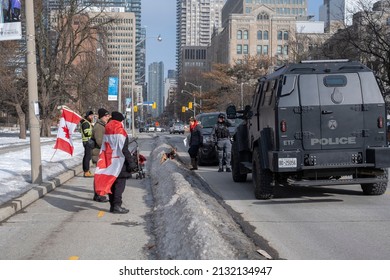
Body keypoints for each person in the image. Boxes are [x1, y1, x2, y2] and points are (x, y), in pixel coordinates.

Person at [95, 111, 133, 214]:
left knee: (112, 183)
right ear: (120, 121)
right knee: (120, 186)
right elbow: (124, 150)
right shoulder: (121, 132)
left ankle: (112, 205)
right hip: (120, 162)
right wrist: (131, 163)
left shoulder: (107, 129)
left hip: (109, 160)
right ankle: (117, 206)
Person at [91, 108, 111, 202]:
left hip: (101, 153)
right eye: (106, 116)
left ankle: (98, 193)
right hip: (98, 154)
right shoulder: (99, 127)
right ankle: (99, 195)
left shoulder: (103, 125)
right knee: (100, 175)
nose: (108, 118)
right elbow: (100, 141)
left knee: (100, 175)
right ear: (102, 116)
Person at [80, 111, 94, 177]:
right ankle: (86, 171)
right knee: (87, 157)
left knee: (88, 157)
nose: (92, 117)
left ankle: (87, 170)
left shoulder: (88, 123)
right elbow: (87, 133)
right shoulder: (86, 123)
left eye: (92, 116)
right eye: (91, 116)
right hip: (87, 142)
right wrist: (93, 132)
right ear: (88, 116)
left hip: (88, 142)